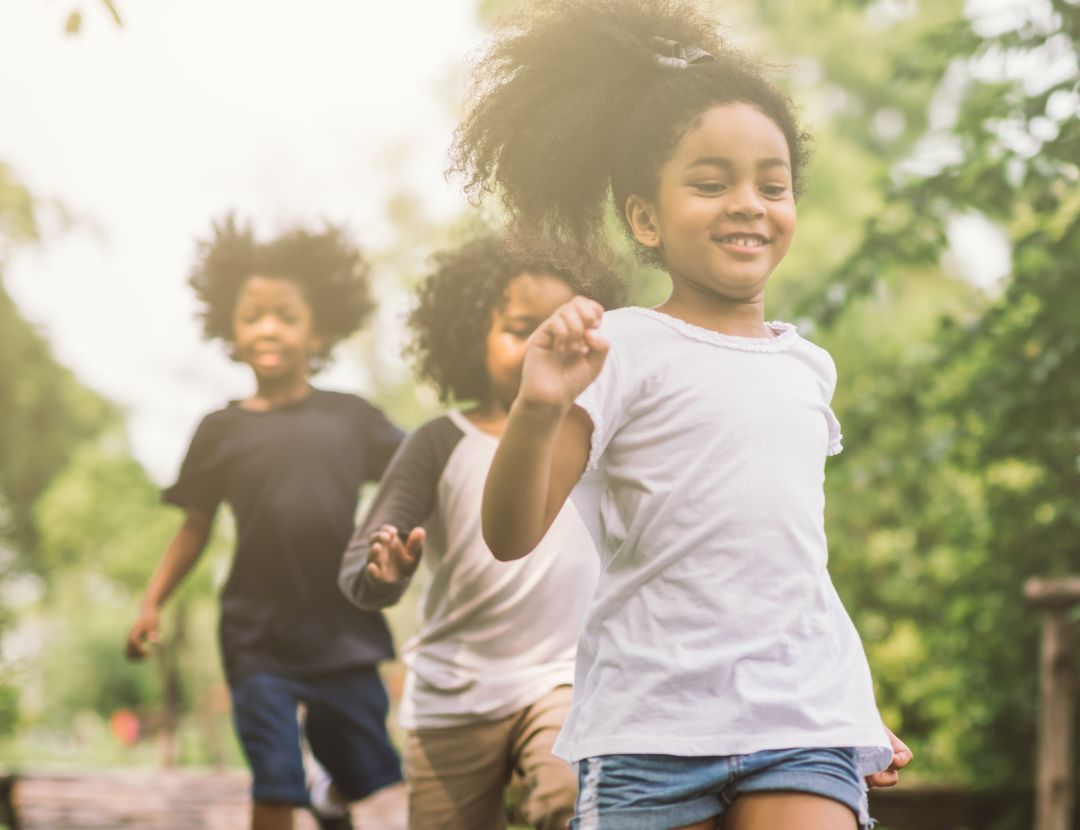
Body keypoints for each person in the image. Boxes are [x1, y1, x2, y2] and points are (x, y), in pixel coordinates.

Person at [451, 2, 914, 829]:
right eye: (711, 183)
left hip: (800, 726)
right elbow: (511, 532)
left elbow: (791, 560)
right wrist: (538, 406)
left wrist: (851, 704)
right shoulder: (619, 348)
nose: (748, 203)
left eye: (772, 184)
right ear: (645, 218)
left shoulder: (808, 367)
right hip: (650, 735)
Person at [124, 218, 403, 830]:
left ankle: (332, 797)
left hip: (342, 627)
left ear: (317, 331)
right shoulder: (220, 431)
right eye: (252, 315)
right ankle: (308, 791)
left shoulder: (352, 419)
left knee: (376, 784)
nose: (268, 327)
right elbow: (195, 527)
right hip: (257, 635)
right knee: (275, 783)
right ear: (231, 328)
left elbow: (419, 475)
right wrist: (151, 602)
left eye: (285, 314)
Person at [338, 235, 624, 830]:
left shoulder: (594, 438)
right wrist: (382, 576)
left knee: (566, 797)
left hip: (561, 679)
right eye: (521, 329)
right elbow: (360, 562)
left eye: (561, 331)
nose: (542, 347)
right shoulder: (440, 441)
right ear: (472, 336)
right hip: (455, 694)